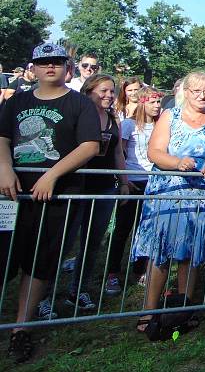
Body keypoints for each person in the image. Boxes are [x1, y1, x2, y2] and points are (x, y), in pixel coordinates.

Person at [0, 43, 101, 363]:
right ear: (33, 67)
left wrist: (52, 175)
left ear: (66, 67)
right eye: (43, 63)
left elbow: (89, 146)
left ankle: (20, 330)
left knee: (39, 262)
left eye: (57, 62)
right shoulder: (17, 101)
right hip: (11, 194)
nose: (50, 68)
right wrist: (3, 168)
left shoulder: (79, 103)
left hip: (56, 196)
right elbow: (2, 139)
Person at [131, 71, 205, 333]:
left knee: (192, 253)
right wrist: (177, 164)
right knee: (161, 253)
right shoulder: (170, 116)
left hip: (202, 194)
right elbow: (155, 152)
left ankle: (183, 311)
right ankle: (148, 313)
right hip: (168, 192)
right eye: (196, 91)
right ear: (185, 92)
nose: (202, 96)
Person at [65, 74, 130, 310]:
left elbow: (117, 154)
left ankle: (78, 290)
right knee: (64, 242)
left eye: (112, 91)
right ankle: (43, 295)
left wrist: (123, 182)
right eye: (103, 91)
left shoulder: (113, 118)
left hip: (103, 187)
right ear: (88, 91)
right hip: (75, 185)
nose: (109, 95)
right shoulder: (77, 115)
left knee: (92, 243)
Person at [106, 87, 162, 294]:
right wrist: (123, 179)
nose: (157, 106)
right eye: (153, 102)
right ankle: (112, 273)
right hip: (132, 181)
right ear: (142, 102)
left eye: (158, 102)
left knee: (146, 229)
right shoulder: (129, 125)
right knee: (123, 228)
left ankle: (140, 270)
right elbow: (120, 152)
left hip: (154, 182)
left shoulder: (161, 125)